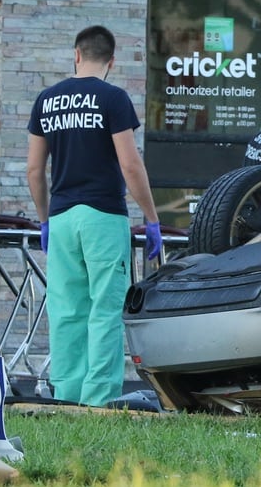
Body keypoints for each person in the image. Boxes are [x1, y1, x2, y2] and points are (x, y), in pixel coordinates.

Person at [26, 25, 161, 407]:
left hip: (63, 216)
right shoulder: (113, 98)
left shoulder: (46, 100)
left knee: (67, 310)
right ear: (112, 62)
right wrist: (151, 217)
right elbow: (130, 165)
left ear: (76, 54)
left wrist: (44, 220)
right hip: (103, 215)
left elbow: (34, 170)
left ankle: (66, 395)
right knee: (103, 310)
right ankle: (98, 400)